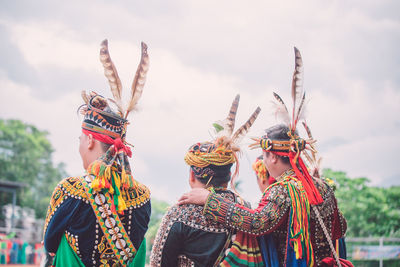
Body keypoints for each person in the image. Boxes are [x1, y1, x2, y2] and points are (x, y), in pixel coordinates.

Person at [178, 48, 348, 266]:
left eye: (265, 156)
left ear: (274, 158)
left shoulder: (282, 190)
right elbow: (340, 227)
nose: (265, 162)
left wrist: (209, 200)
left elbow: (257, 222)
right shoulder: (321, 187)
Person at [43, 39, 151, 266]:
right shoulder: (142, 197)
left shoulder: (70, 191)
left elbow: (51, 246)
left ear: (90, 140)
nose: (80, 144)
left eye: (80, 138)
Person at [150, 95, 262, 267]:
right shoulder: (244, 210)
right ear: (228, 174)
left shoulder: (179, 213)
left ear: (192, 176)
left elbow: (158, 263)